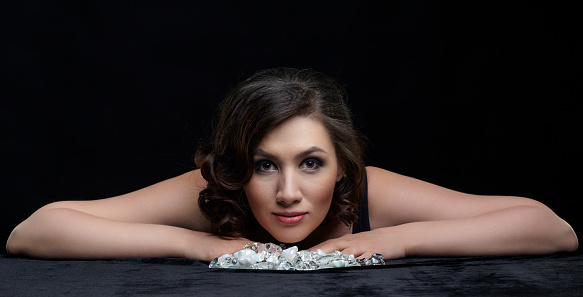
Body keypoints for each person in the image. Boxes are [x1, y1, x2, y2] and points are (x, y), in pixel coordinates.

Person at [6, 68, 578, 261]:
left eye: (310, 164)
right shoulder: (214, 190)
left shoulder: (367, 191)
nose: (288, 193)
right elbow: (34, 231)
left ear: (341, 167)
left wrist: (400, 240)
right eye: (263, 165)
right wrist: (196, 245)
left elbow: (552, 228)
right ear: (236, 169)